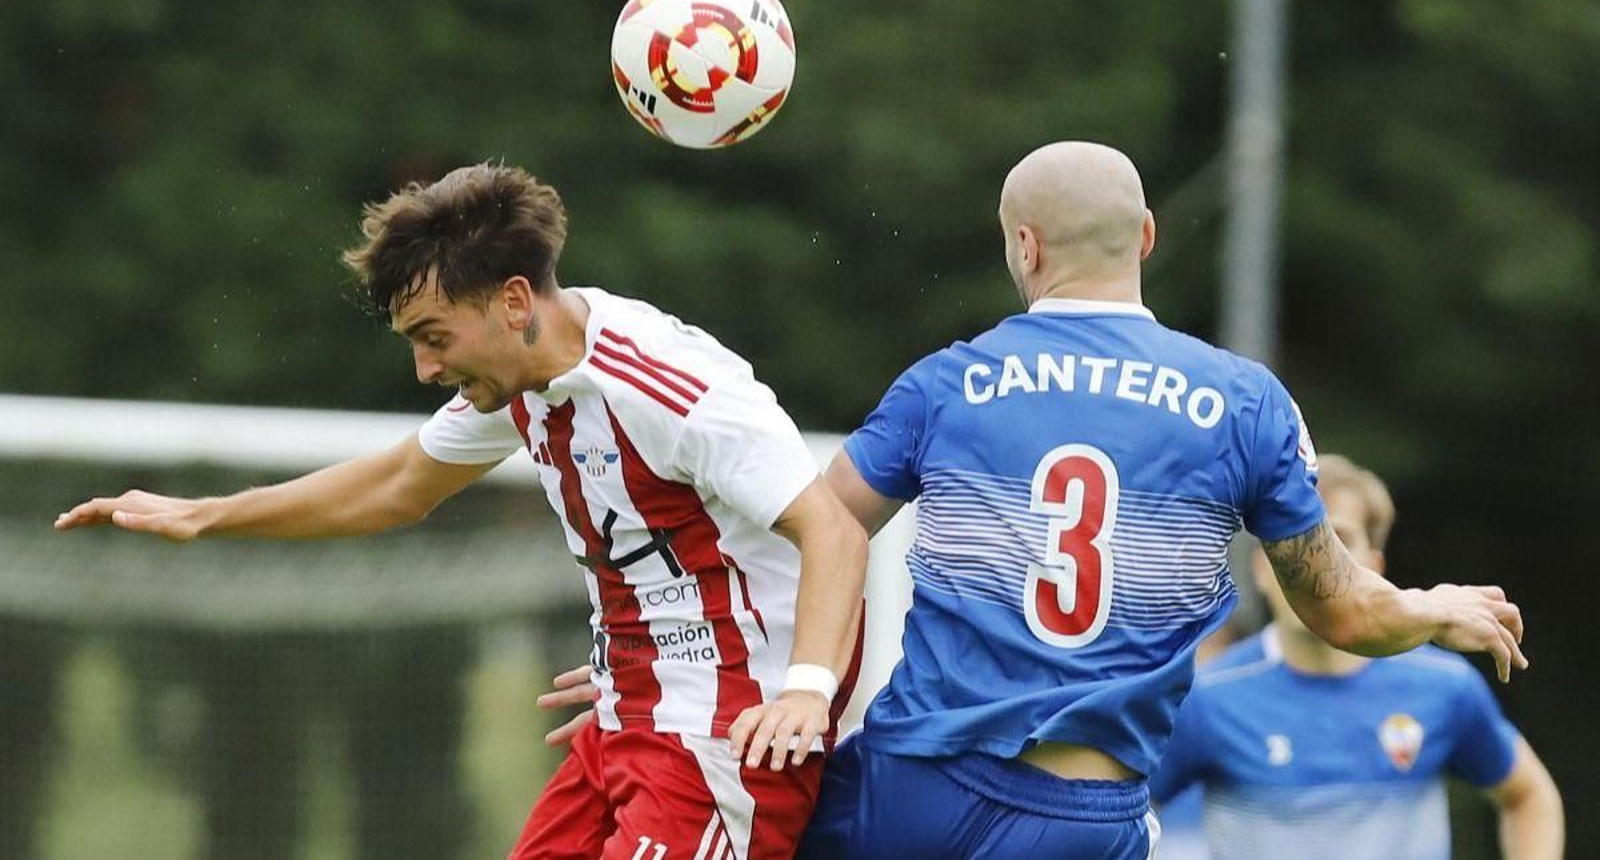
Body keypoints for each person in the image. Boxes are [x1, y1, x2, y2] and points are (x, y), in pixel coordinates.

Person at [534, 141, 1528, 858]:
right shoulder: (1243, 403)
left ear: (1023, 246)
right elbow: (1344, 611)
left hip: (907, 794)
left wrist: (683, 673)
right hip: (1078, 818)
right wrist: (1431, 608)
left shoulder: (946, 384)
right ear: (1144, 235)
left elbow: (806, 534)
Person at [54, 162, 871, 860]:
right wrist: (207, 515)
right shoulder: (523, 381)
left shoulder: (674, 391)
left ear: (514, 302)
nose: (422, 367)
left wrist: (801, 690)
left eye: (434, 336)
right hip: (633, 718)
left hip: (723, 741)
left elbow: (831, 531)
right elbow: (400, 484)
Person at [1150, 454, 1564, 860]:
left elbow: (1529, 796)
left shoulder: (1443, 685)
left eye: (1340, 543)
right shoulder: (1207, 698)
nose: (1316, 567)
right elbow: (1125, 808)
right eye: (1293, 544)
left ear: (1374, 571)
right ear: (1262, 569)